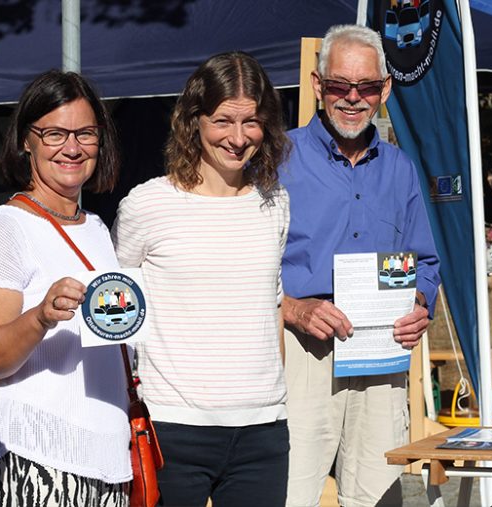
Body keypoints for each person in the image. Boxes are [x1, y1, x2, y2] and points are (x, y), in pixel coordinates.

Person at [112, 51, 291, 506]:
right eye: (223, 121)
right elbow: (116, 313)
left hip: (262, 432)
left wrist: (272, 400)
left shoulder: (275, 202)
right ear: (193, 121)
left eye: (251, 122)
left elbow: (271, 305)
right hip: (172, 430)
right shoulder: (147, 204)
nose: (238, 137)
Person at [278, 24, 441, 507]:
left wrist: (417, 303)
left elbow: (425, 261)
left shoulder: (400, 168)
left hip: (381, 353)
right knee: (291, 494)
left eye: (367, 87)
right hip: (302, 352)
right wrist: (291, 308)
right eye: (338, 86)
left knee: (377, 497)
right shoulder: (277, 159)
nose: (352, 98)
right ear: (317, 85)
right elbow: (244, 261)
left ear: (384, 89)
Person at [0, 70, 131, 506]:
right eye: (54, 133)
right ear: (25, 140)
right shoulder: (2, 230)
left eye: (85, 133)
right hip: (34, 461)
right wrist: (40, 317)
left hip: (106, 459)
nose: (72, 147)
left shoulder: (95, 227)